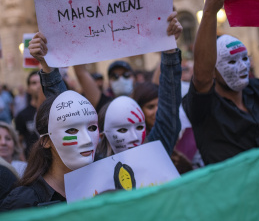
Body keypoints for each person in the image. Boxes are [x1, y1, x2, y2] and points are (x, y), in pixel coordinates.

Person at [29, 12, 183, 160]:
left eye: (139, 127)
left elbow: (170, 102)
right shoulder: (94, 164)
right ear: (101, 136)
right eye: (122, 130)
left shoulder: (157, 147)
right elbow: (64, 111)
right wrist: (47, 63)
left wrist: (169, 46)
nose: (134, 138)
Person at [183, 0, 259, 165]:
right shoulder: (205, 107)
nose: (241, 67)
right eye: (230, 62)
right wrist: (210, 10)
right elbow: (201, 79)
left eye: (244, 58)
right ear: (214, 70)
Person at [0, 90, 99, 211]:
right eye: (72, 130)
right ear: (46, 141)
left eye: (92, 128)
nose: (87, 140)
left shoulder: (105, 184)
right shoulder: (23, 202)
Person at [15, 71, 41, 159]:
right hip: (32, 163)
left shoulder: (54, 110)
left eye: (41, 81)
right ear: (28, 89)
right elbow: (19, 141)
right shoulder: (22, 115)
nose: (38, 85)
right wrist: (23, 161)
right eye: (34, 83)